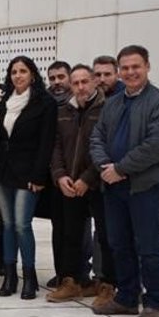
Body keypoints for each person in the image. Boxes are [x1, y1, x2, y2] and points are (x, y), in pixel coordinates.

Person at [90, 45, 159, 317]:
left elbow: (157, 146)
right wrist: (106, 166)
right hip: (113, 185)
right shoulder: (113, 103)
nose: (130, 72)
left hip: (144, 186)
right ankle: (127, 297)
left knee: (147, 245)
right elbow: (97, 137)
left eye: (135, 66)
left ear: (147, 67)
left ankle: (154, 302)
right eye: (125, 68)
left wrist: (120, 169)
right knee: (119, 243)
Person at [0, 55, 57, 300]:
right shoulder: (4, 102)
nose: (18, 76)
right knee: (8, 225)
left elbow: (46, 142)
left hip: (28, 173)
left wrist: (39, 175)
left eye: (23, 71)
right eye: (14, 72)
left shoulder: (44, 103)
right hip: (3, 171)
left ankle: (29, 277)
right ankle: (10, 276)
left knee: (22, 224)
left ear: (32, 74)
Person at [47, 64, 108, 303]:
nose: (80, 87)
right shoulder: (64, 110)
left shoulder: (106, 109)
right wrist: (60, 175)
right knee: (70, 235)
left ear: (94, 82)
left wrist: (87, 178)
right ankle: (71, 281)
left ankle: (106, 283)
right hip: (69, 183)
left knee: (105, 236)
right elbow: (55, 145)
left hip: (97, 183)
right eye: (76, 83)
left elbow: (105, 147)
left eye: (84, 82)